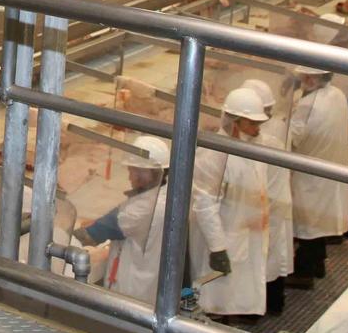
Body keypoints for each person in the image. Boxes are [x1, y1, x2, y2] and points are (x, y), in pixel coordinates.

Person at [189, 84, 272, 320]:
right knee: (216, 297)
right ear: (234, 121)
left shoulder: (254, 146)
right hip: (225, 236)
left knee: (241, 291)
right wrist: (217, 248)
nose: (257, 128)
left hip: (246, 234)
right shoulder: (215, 154)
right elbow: (204, 204)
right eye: (252, 123)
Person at [73, 136, 170, 306]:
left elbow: (92, 234)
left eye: (133, 170)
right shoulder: (165, 195)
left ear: (147, 172)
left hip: (130, 289)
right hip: (150, 282)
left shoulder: (140, 211)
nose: (129, 175)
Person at [288, 65, 348, 287]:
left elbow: (292, 138)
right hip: (331, 168)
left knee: (309, 224)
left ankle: (304, 274)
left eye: (304, 77)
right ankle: (318, 265)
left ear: (312, 79)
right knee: (320, 220)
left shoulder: (307, 106)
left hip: (312, 175)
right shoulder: (337, 94)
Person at [245, 78, 296, 316]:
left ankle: (259, 310)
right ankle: (274, 303)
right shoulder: (271, 132)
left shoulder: (261, 139)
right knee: (272, 257)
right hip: (274, 203)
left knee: (262, 259)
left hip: (267, 206)